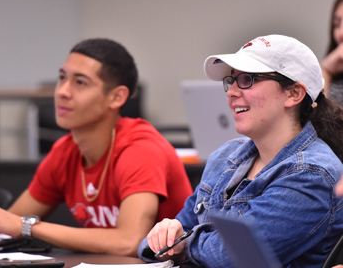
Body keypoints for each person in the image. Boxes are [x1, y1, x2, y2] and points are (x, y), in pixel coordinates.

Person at [138, 35, 343, 268]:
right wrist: (164, 235)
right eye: (231, 80)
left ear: (294, 94)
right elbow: (151, 246)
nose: (231, 92)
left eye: (247, 79)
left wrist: (182, 245)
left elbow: (230, 257)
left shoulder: (313, 173)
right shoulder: (226, 156)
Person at [0, 38, 193, 256]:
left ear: (117, 97)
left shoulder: (140, 148)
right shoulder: (65, 152)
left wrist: (27, 227)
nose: (62, 91)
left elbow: (129, 241)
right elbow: (6, 225)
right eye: (62, 78)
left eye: (80, 82)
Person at [321, 0, 343, 106]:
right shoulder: (331, 82)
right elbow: (316, 120)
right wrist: (326, 69)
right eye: (337, 24)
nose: (341, 32)